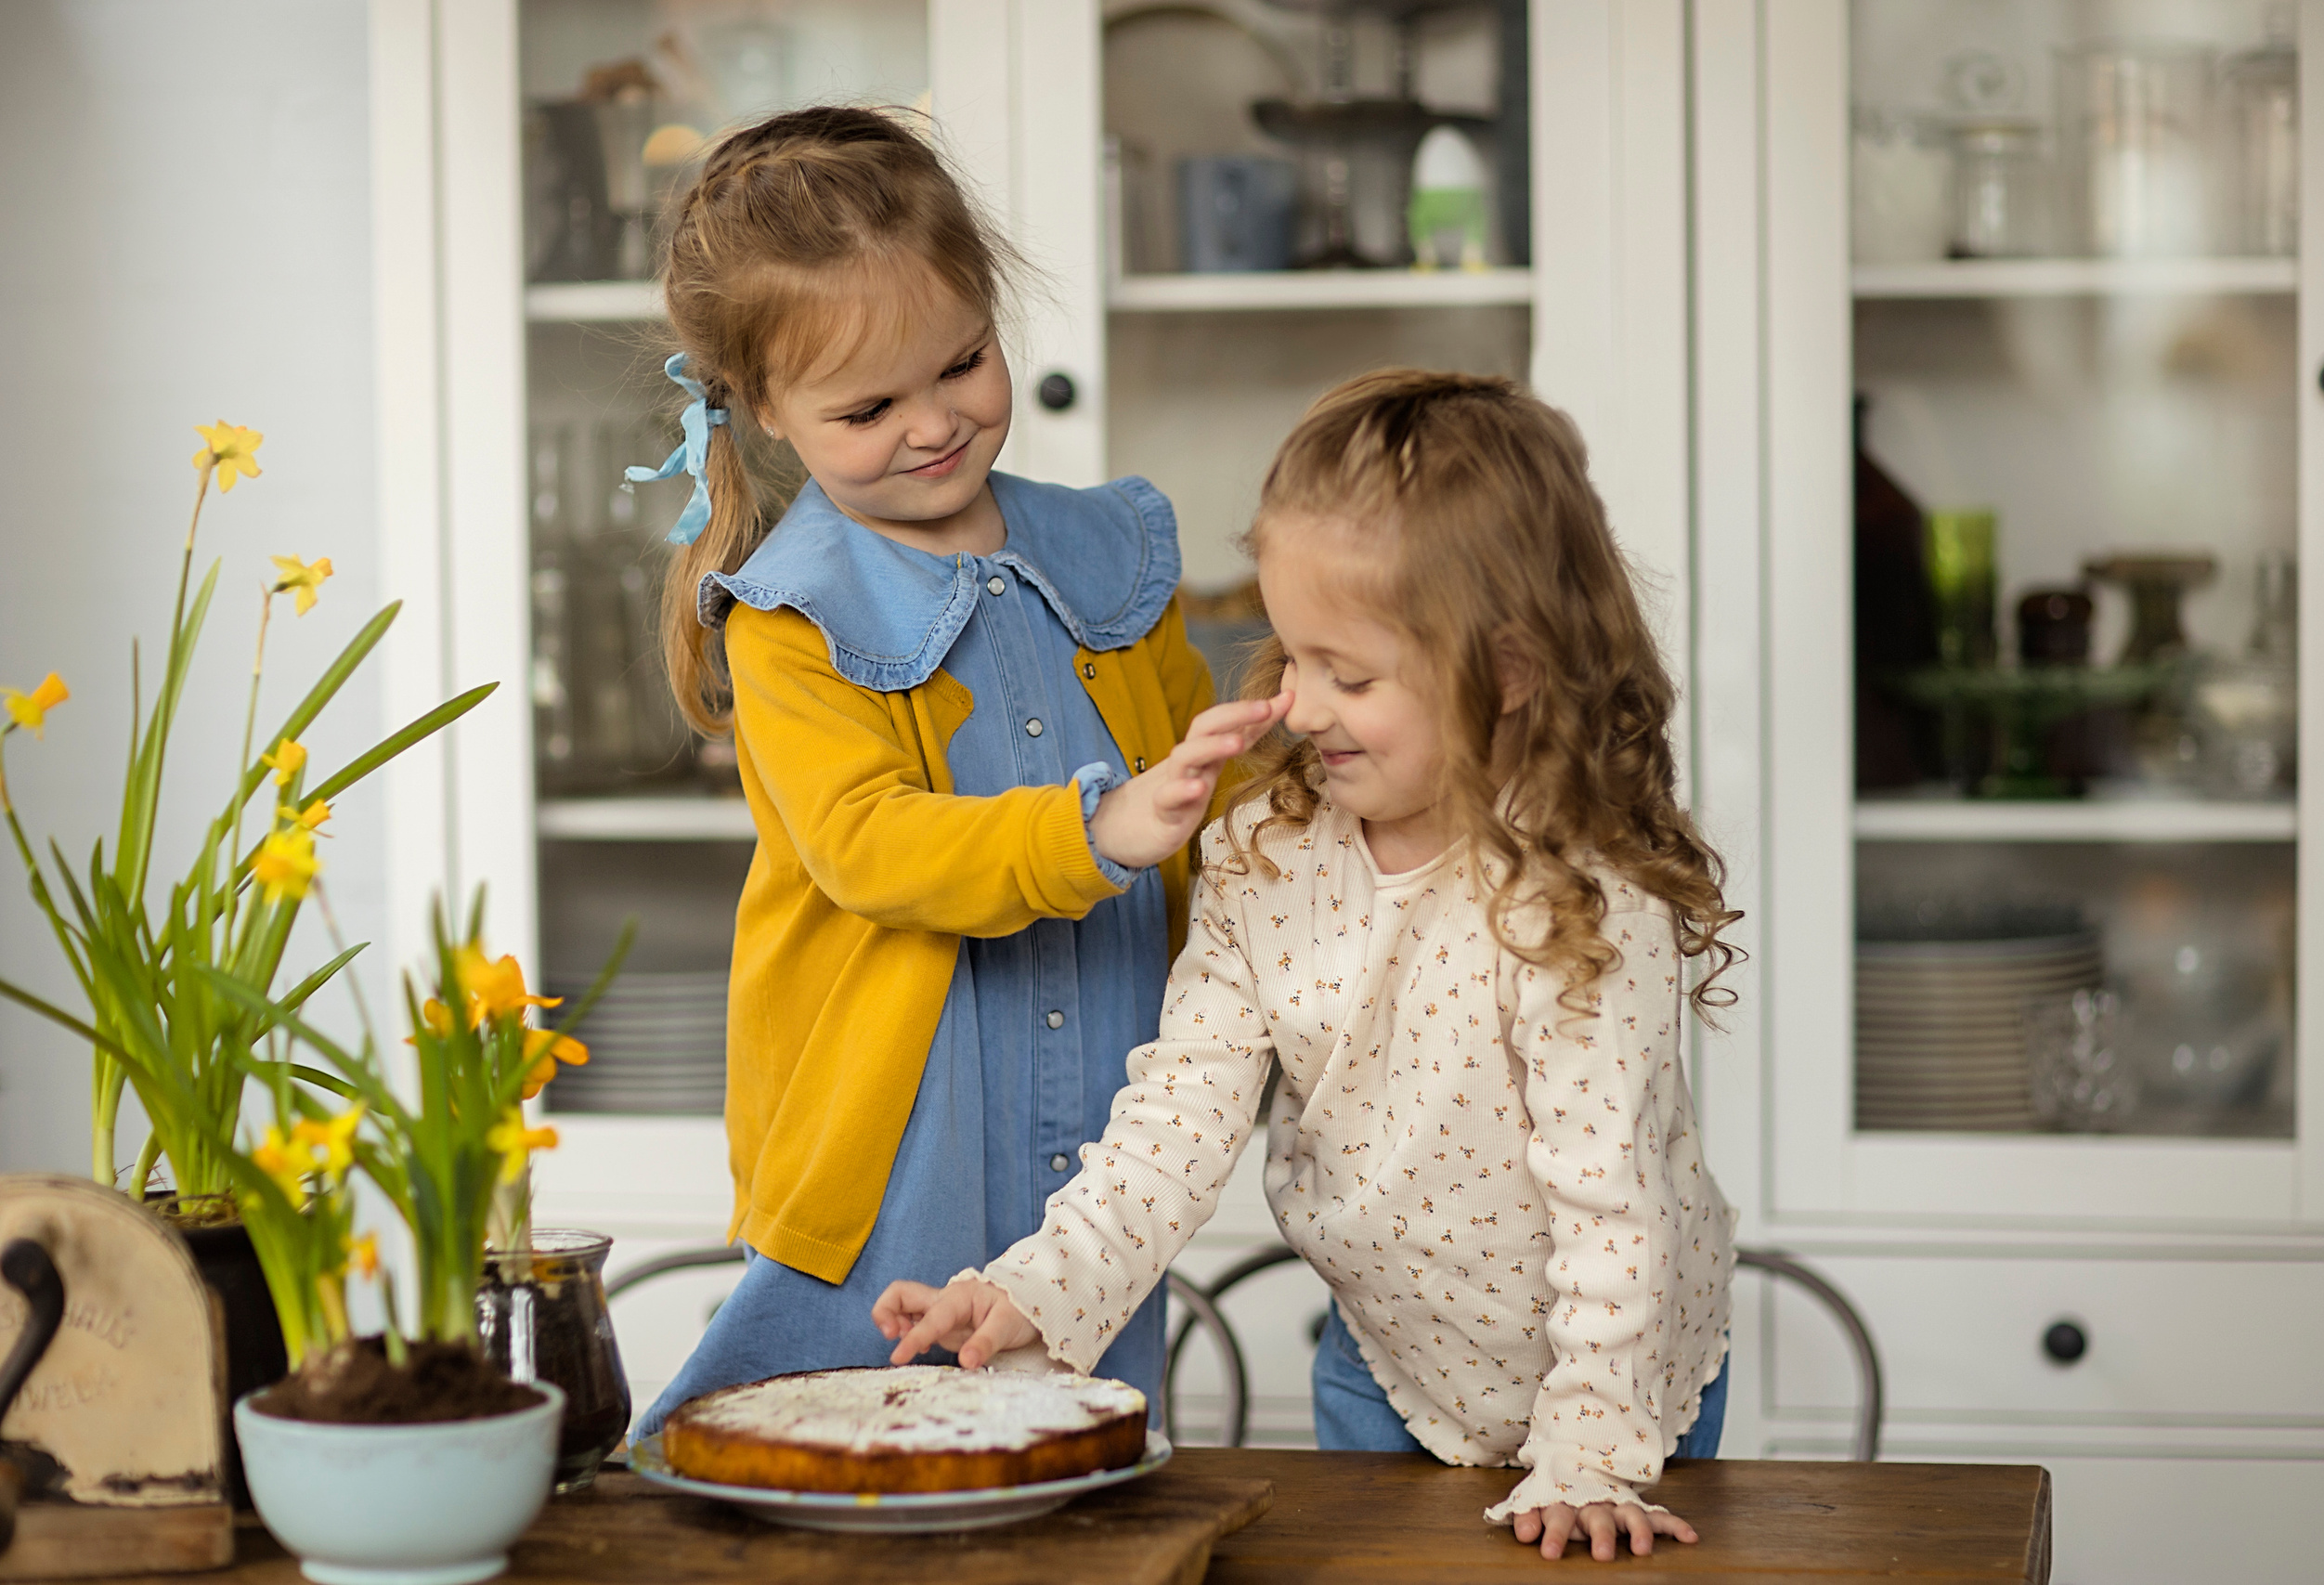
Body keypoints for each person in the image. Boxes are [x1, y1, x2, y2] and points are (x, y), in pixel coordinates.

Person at [875, 370, 1743, 1562]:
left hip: (1623, 1381)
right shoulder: (1264, 861)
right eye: (1292, 656)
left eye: (1354, 675)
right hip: (1384, 1372)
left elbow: (1617, 1205)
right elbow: (1173, 1119)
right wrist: (1036, 1289)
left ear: (1509, 670)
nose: (1302, 707)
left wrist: (1590, 1450)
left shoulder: (1577, 895)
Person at [623, 106, 1283, 1442]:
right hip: (896, 1131)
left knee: (1062, 1427)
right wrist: (1103, 823)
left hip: (1110, 1108)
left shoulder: (1116, 553)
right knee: (816, 1433)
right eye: (868, 407)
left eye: (963, 363)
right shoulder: (790, 615)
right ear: (763, 409)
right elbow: (867, 844)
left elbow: (1224, 811)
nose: (933, 424)